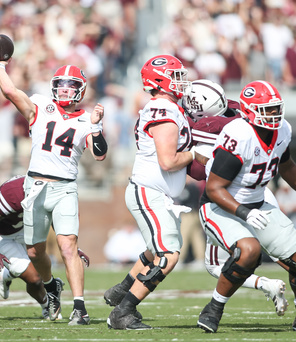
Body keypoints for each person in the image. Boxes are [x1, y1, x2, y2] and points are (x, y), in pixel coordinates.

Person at [104, 79, 289, 317]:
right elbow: (178, 159)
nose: (181, 86)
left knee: (172, 252)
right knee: (170, 251)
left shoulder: (199, 122)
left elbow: (199, 165)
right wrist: (194, 153)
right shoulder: (224, 116)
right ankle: (125, 299)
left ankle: (124, 296)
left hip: (240, 196)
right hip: (237, 197)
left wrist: (194, 152)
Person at [0, 48, 107, 325]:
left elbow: (100, 154)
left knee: (68, 246)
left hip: (65, 188)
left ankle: (80, 307)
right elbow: (11, 92)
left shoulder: (86, 118)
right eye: (61, 85)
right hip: (36, 186)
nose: (65, 90)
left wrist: (96, 127)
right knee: (35, 252)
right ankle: (51, 285)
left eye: (71, 86)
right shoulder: (41, 105)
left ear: (81, 90)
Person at [196, 80, 296, 333]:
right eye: (267, 109)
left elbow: (286, 167)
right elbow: (214, 188)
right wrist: (244, 212)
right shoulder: (240, 135)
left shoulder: (283, 130)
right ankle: (214, 308)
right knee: (248, 250)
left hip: (258, 204)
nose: (274, 115)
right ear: (250, 111)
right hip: (220, 207)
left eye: (276, 108)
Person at [106, 54, 194, 330]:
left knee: (156, 249)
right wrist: (198, 155)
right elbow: (168, 161)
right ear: (159, 80)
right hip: (149, 191)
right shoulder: (163, 110)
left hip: (157, 194)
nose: (182, 81)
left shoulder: (165, 107)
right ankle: (124, 311)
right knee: (168, 254)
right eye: (176, 76)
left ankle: (122, 290)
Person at [0, 175, 90, 319]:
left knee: (38, 263)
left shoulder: (51, 190)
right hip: (0, 235)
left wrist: (74, 248)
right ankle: (46, 304)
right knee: (35, 278)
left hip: (24, 227)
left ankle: (7, 274)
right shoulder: (13, 193)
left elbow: (56, 220)